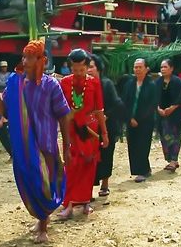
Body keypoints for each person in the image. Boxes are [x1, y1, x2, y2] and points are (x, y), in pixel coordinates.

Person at [0, 40, 71, 243]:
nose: (24, 61)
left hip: (46, 144)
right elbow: (6, 111)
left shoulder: (51, 85)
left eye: (29, 57)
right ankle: (41, 219)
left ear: (41, 60)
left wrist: (67, 146)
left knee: (44, 184)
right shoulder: (15, 83)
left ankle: (43, 226)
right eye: (24, 56)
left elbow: (64, 116)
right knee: (29, 183)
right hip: (22, 147)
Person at [58, 49, 109, 219]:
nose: (78, 73)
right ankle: (69, 203)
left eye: (81, 69)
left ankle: (86, 201)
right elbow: (60, 108)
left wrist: (104, 133)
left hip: (90, 130)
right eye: (75, 70)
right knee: (71, 166)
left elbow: (99, 109)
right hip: (72, 130)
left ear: (87, 67)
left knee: (89, 165)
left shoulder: (94, 83)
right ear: (70, 67)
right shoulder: (64, 83)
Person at [88, 54, 124, 197]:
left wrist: (104, 117)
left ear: (98, 68)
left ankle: (105, 184)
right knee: (89, 159)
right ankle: (88, 189)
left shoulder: (107, 84)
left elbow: (116, 104)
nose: (88, 70)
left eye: (91, 67)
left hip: (107, 126)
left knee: (106, 155)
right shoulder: (84, 84)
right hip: (90, 128)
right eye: (87, 67)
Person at [122, 58, 157, 183]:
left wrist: (139, 119)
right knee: (133, 145)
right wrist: (129, 118)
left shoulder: (152, 85)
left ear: (146, 69)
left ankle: (143, 171)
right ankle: (139, 169)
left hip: (145, 121)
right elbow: (124, 102)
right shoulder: (129, 84)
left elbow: (152, 105)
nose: (137, 69)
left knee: (142, 145)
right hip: (130, 119)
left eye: (140, 67)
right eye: (135, 67)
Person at [156, 59, 181, 172]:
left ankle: (174, 160)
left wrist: (172, 108)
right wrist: (158, 109)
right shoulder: (158, 82)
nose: (163, 69)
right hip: (161, 115)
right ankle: (170, 159)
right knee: (164, 137)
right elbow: (153, 97)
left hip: (175, 115)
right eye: (161, 67)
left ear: (171, 68)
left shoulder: (177, 81)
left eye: (165, 67)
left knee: (175, 137)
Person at [0, 92, 12, 160]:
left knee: (5, 140)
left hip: (0, 122)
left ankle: (13, 155)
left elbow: (4, 109)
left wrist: (1, 120)